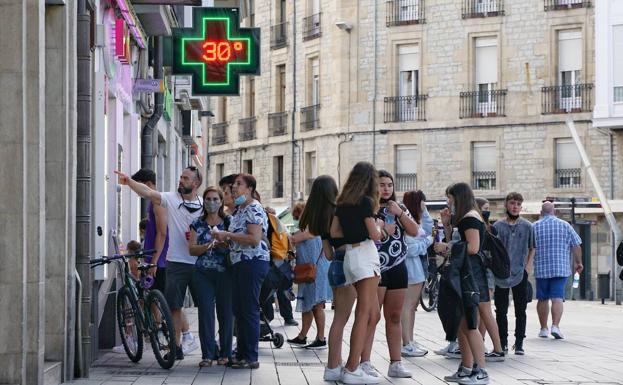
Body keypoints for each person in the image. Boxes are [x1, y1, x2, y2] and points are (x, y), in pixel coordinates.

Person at [115, 166, 204, 361]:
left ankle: (208, 349)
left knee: (205, 307)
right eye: (180, 176)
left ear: (195, 183)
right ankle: (176, 347)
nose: (180, 180)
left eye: (185, 178)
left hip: (199, 263)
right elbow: (148, 192)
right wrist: (129, 181)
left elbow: (214, 226)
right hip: (175, 262)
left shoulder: (204, 205)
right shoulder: (170, 198)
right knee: (174, 306)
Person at [360, 170, 419, 379]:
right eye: (382, 184)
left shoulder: (399, 208)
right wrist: (383, 226)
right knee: (371, 318)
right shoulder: (369, 208)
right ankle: (364, 361)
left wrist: (401, 214)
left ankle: (396, 363)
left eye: (389, 185)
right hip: (376, 268)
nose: (386, 188)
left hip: (398, 266)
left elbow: (415, 231)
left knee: (394, 316)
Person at [331, 161, 384, 384]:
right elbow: (375, 235)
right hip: (364, 254)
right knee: (363, 314)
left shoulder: (342, 203)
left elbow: (334, 232)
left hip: (350, 257)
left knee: (371, 313)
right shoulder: (366, 202)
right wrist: (381, 227)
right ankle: (352, 368)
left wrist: (351, 235)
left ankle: (356, 365)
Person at [212, 173, 270, 369]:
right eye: (234, 184)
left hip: (252, 262)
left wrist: (227, 234)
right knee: (239, 309)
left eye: (239, 184)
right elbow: (237, 238)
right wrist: (224, 240)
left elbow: (254, 239)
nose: (234, 187)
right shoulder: (239, 211)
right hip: (239, 262)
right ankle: (241, 353)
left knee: (249, 309)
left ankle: (250, 356)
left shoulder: (254, 207)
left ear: (250, 189)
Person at [436, 182, 490, 385]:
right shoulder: (466, 219)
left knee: (470, 325)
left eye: (449, 197)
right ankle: (466, 367)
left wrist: (446, 246)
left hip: (469, 277)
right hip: (465, 275)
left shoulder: (470, 219)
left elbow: (473, 248)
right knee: (461, 324)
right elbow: (462, 244)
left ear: (458, 197)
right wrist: (447, 226)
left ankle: (481, 370)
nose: (447, 201)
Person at [309, 176, 358, 382]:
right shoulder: (341, 212)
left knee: (339, 317)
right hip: (348, 264)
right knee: (341, 319)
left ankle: (334, 364)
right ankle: (332, 366)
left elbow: (328, 254)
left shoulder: (319, 217)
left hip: (334, 266)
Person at [188, 186, 233, 367]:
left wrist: (224, 244)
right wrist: (209, 245)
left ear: (221, 202)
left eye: (215, 199)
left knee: (226, 313)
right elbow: (191, 249)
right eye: (208, 199)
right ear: (203, 201)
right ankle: (207, 354)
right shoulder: (197, 223)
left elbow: (236, 245)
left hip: (226, 273)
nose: (211, 203)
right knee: (206, 313)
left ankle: (225, 353)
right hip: (202, 274)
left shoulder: (229, 221)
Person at [492, 192, 534, 355]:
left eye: (518, 204)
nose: (515, 206)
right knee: (501, 310)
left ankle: (519, 343)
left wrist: (528, 267)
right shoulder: (497, 227)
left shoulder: (528, 226)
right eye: (512, 203)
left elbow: (532, 248)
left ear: (521, 207)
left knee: (520, 309)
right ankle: (502, 342)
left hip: (520, 272)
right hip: (501, 273)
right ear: (506, 205)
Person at [533, 201, 582, 340]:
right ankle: (555, 326)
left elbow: (529, 247)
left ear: (541, 212)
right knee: (557, 298)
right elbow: (576, 245)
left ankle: (543, 329)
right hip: (560, 268)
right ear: (554, 211)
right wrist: (579, 262)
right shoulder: (565, 225)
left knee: (542, 298)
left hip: (541, 268)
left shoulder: (534, 226)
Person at [287, 200, 332, 349]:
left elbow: (294, 239)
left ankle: (321, 338)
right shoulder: (308, 228)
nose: (297, 219)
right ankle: (302, 336)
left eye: (298, 216)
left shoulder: (312, 228)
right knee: (308, 304)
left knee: (317, 305)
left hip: (316, 271)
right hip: (309, 270)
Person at [472, 197, 505, 362]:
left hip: (485, 273)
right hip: (485, 273)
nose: (487, 211)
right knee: (484, 311)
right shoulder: (486, 227)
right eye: (484, 208)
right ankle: (486, 344)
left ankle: (490, 346)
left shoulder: (486, 228)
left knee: (484, 311)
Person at [401, 190, 433, 358]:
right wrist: (428, 241)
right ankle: (406, 343)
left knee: (412, 307)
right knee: (407, 306)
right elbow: (411, 249)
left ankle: (410, 341)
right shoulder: (406, 222)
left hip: (416, 269)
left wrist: (425, 210)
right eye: (422, 203)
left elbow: (428, 229)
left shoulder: (415, 221)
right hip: (410, 269)